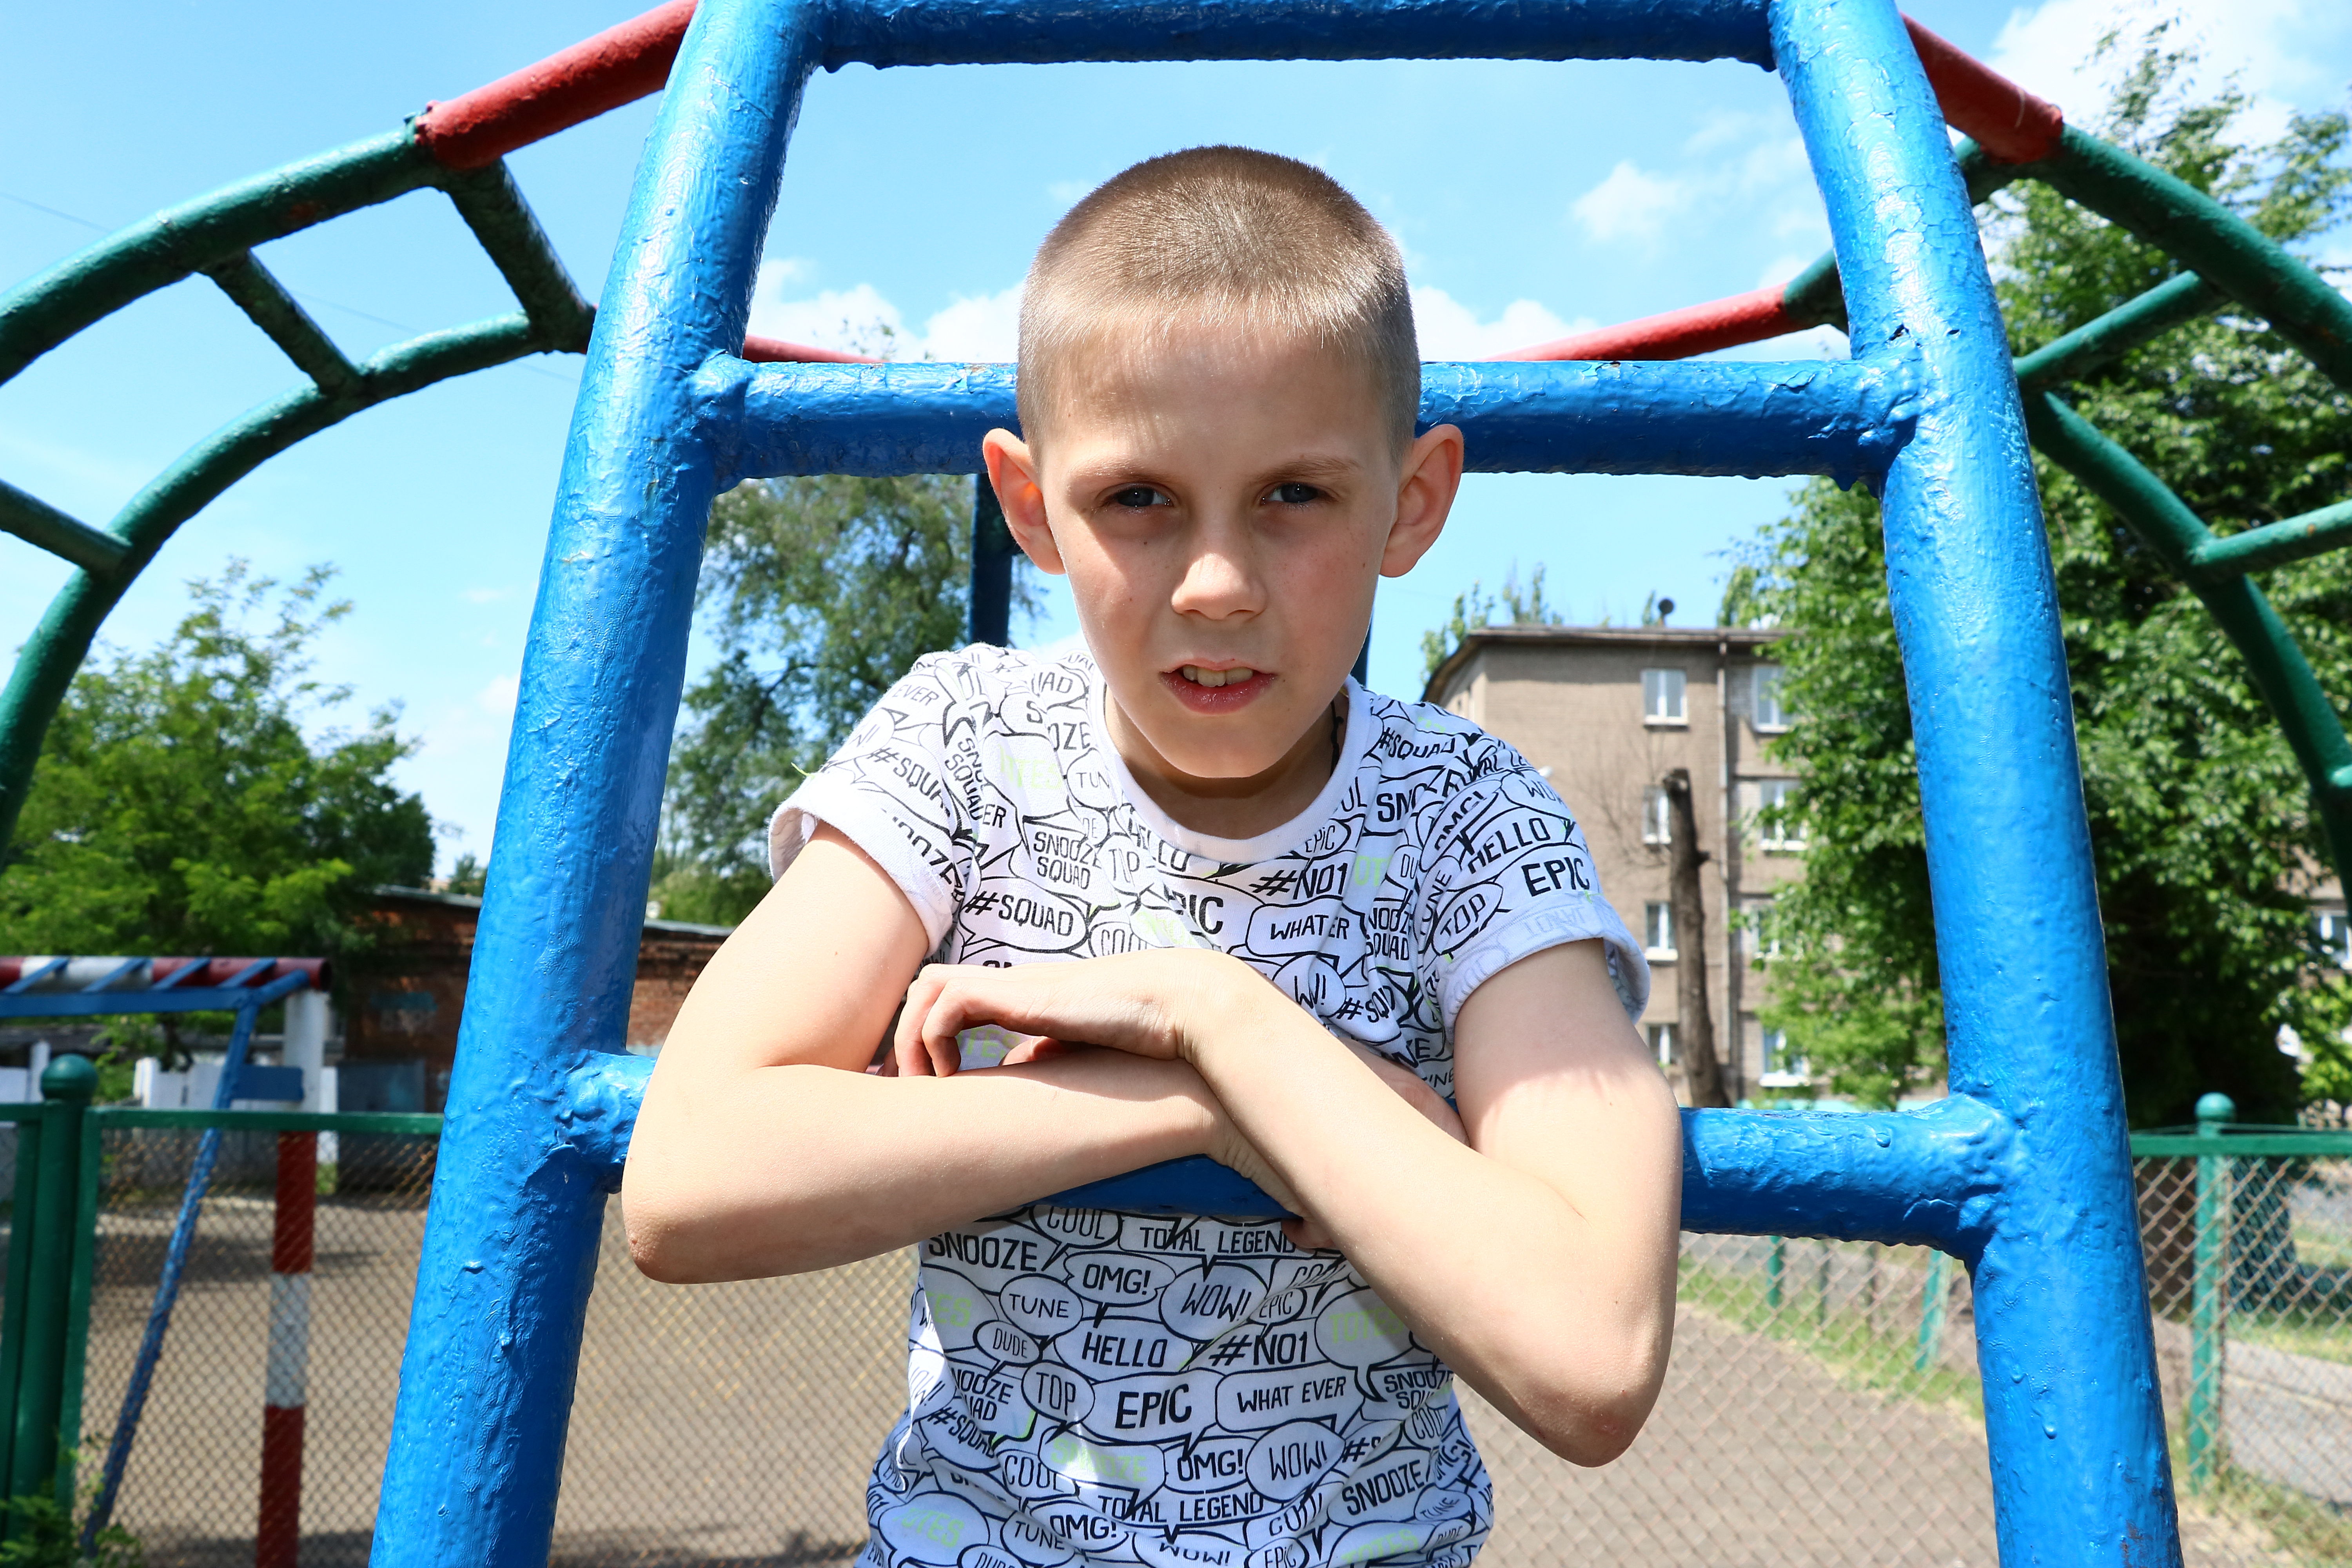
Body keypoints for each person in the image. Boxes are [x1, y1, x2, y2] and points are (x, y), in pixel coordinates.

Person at [623, 146, 1684, 1568]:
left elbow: (1591, 1351)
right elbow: (690, 1178)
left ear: (1414, 500)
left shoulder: (1466, 815)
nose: (1219, 584)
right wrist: (1202, 1106)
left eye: (1295, 495)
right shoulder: (969, 748)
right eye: (1137, 499)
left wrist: (1213, 1012)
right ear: (1031, 505)